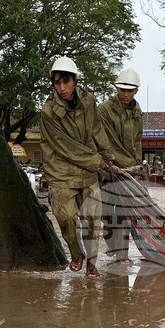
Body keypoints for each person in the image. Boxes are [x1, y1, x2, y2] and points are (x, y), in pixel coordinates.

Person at [39, 56, 117, 277]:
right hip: (61, 170)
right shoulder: (48, 112)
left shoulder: (89, 101)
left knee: (93, 219)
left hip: (87, 172)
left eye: (66, 82)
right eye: (57, 83)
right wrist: (98, 162)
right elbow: (66, 148)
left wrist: (108, 158)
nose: (62, 88)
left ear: (75, 81)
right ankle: (76, 253)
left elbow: (96, 130)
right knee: (66, 218)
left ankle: (92, 264)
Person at [98, 68, 144, 262]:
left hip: (129, 170)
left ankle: (123, 255)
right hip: (108, 169)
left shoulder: (137, 111)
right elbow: (102, 140)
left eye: (130, 90)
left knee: (126, 213)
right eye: (122, 90)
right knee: (108, 212)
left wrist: (138, 166)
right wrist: (109, 163)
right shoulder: (104, 110)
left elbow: (137, 140)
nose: (126, 94)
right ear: (116, 88)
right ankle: (113, 245)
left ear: (136, 91)